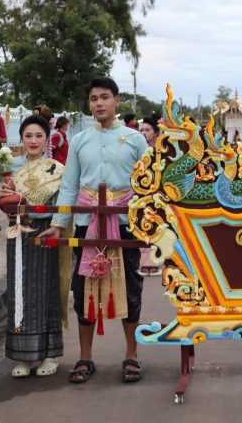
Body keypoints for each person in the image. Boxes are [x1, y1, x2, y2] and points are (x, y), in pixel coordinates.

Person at [38, 77, 147, 384]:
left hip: (125, 226)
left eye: (104, 97)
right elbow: (70, 185)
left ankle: (132, 355)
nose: (99, 103)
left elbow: (146, 185)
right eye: (93, 99)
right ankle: (85, 358)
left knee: (131, 289)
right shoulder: (80, 140)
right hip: (86, 225)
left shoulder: (136, 140)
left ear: (117, 101)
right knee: (83, 290)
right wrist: (59, 225)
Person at [0, 116, 67, 377]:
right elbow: (3, 198)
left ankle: (49, 354)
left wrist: (56, 225)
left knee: (45, 289)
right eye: (28, 136)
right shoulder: (10, 167)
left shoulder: (56, 169)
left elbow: (62, 204)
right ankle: (23, 357)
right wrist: (4, 200)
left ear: (46, 139)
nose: (33, 141)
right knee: (19, 290)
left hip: (44, 230)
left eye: (39, 135)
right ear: (21, 139)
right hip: (17, 232)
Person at [138, 112, 160, 276]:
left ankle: (155, 261)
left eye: (147, 130)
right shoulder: (138, 150)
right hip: (140, 193)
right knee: (141, 226)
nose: (144, 133)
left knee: (156, 226)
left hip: (157, 193)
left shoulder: (161, 151)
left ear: (156, 133)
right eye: (142, 130)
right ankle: (143, 262)